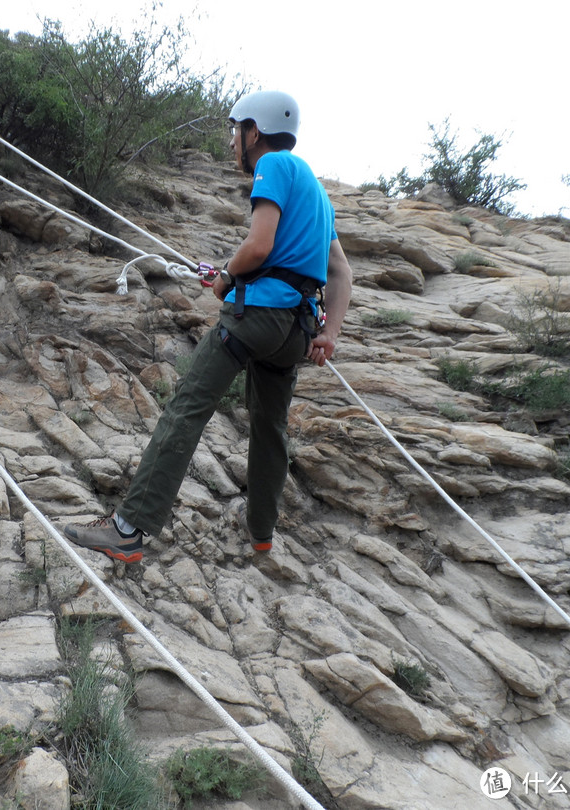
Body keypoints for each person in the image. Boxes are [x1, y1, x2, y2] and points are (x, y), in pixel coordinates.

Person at [64, 90, 353, 563]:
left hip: (254, 319)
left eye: (235, 130)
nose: (232, 142)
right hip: (295, 333)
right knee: (269, 427)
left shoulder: (274, 166)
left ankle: (129, 530)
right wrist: (331, 333)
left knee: (186, 409)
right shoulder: (318, 194)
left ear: (253, 132)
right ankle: (261, 534)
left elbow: (259, 246)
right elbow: (340, 271)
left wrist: (226, 276)